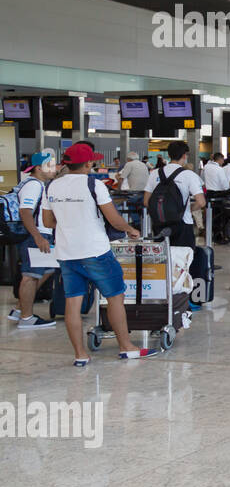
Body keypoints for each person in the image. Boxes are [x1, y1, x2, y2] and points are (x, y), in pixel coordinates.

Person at [41, 142, 159, 366]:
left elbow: (48, 222)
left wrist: (68, 221)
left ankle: (80, 355)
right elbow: (113, 219)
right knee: (115, 297)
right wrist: (130, 229)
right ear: (88, 163)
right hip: (95, 251)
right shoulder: (93, 185)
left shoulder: (52, 186)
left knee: (72, 302)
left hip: (67, 253)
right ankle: (127, 347)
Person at [143, 140, 207, 309]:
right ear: (184, 156)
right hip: (182, 224)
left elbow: (146, 201)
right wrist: (188, 209)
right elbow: (201, 201)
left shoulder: (155, 173)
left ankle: (162, 296)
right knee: (184, 262)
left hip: (159, 225)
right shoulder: (188, 175)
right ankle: (185, 300)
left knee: (162, 260)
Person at [7, 149, 60, 328]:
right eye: (49, 166)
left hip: (40, 233)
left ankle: (20, 309)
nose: (54, 169)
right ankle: (27, 318)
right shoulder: (34, 185)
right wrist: (37, 236)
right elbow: (25, 212)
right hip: (36, 234)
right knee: (30, 276)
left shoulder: (36, 183)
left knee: (48, 269)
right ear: (38, 168)